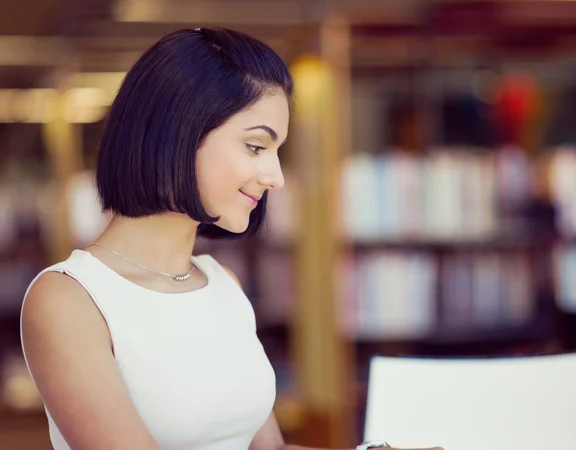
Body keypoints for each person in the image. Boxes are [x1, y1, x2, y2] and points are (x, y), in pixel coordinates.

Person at [20, 27, 442, 450]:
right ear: (178, 134)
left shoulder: (221, 283)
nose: (275, 178)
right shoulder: (68, 300)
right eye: (257, 146)